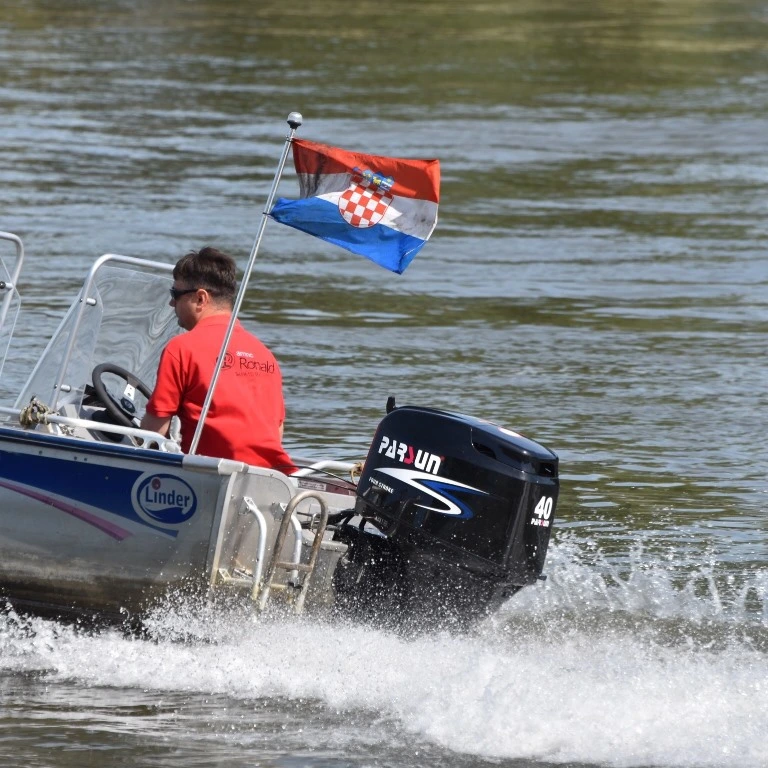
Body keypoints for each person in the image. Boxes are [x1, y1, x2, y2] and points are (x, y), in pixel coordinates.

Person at [140, 246, 297, 474]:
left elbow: (155, 430)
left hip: (211, 478)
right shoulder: (265, 355)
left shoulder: (182, 348)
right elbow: (277, 430)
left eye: (175, 295)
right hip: (273, 478)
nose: (171, 304)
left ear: (201, 298)